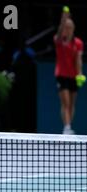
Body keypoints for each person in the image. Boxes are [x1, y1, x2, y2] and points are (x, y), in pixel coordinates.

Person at [54, 6, 85, 135]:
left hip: (73, 76)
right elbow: (60, 30)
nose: (67, 29)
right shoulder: (59, 40)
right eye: (66, 27)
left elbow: (78, 59)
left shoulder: (78, 43)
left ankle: (68, 125)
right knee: (66, 102)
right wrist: (64, 18)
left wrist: (80, 73)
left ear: (73, 29)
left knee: (72, 104)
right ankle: (66, 127)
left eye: (69, 27)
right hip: (61, 75)